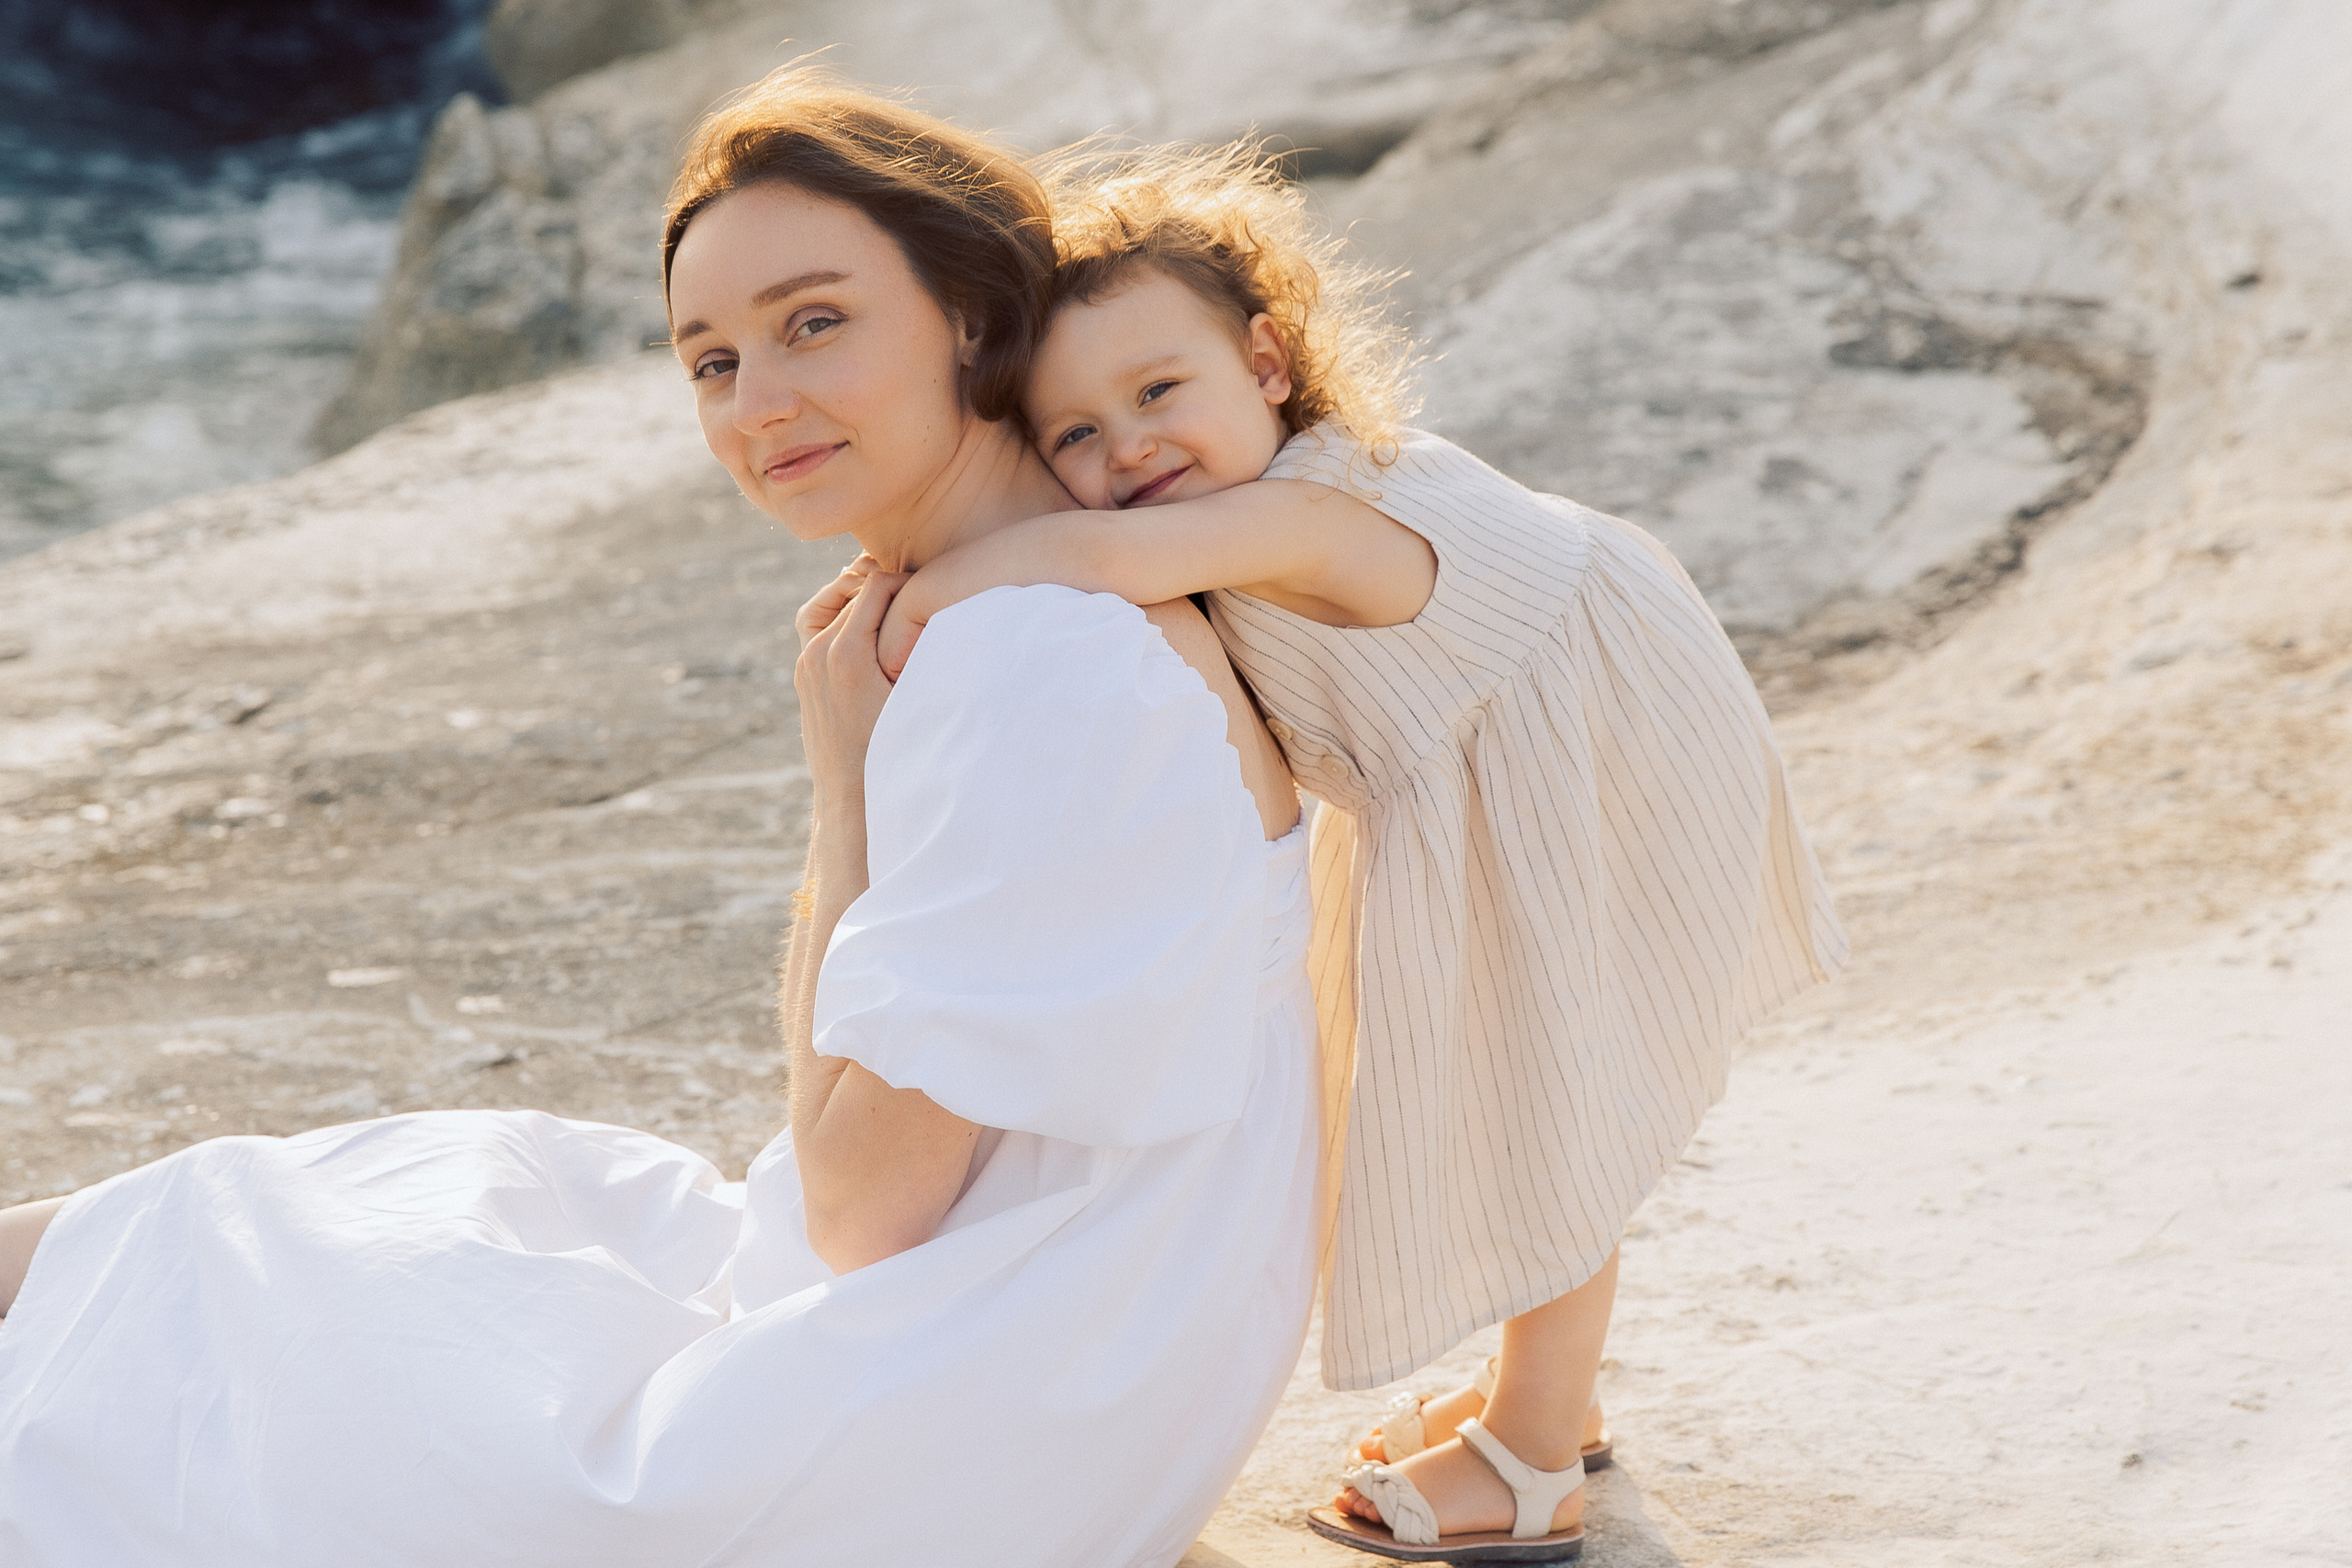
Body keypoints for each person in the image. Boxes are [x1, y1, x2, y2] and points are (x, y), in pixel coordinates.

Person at [0, 73, 1319, 1568]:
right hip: (1073, 1365)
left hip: (956, 1422)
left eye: (814, 322)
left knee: (240, 1322)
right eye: (710, 361)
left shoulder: (1041, 656)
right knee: (327, 1213)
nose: (758, 405)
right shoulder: (1073, 594)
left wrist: (843, 799)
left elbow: (861, 1210)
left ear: (971, 316)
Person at [878, 141, 1849, 1562]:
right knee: (1528, 1080)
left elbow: (1092, 563)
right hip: (1515, 738)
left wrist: (924, 584)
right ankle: (1548, 1406)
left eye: (1160, 392)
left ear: (1267, 361)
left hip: (1587, 738)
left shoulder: (1302, 511)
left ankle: (1532, 1462)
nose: (1125, 448)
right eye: (1073, 434)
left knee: (1539, 1092)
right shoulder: (1238, 505)